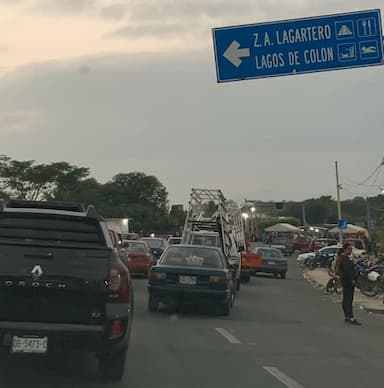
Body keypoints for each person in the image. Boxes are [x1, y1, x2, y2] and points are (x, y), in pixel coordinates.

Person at [337, 242, 361, 325]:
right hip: (348, 281)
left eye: (351, 249)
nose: (351, 250)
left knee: (346, 298)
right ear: (345, 249)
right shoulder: (344, 258)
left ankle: (347, 316)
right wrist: (352, 280)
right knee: (348, 299)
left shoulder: (345, 258)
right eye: (349, 249)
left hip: (345, 280)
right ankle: (350, 317)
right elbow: (348, 271)